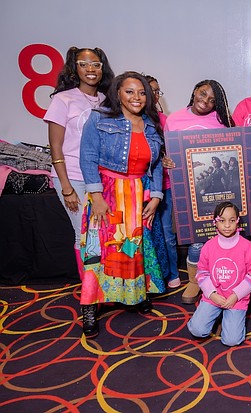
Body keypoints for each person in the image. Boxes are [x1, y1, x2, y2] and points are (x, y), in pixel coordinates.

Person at [79, 71, 165, 338]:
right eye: (129, 92)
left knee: (134, 247)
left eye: (141, 93)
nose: (136, 97)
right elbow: (88, 157)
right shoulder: (99, 118)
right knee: (101, 250)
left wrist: (157, 195)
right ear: (117, 93)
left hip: (138, 193)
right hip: (107, 192)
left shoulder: (150, 124)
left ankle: (134, 296)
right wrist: (97, 197)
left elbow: (158, 162)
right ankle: (91, 306)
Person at [44, 46, 114, 278]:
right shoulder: (62, 99)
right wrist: (66, 188)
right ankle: (89, 291)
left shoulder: (107, 100)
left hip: (100, 177)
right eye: (83, 64)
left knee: (103, 231)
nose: (90, 69)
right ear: (75, 68)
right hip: (72, 175)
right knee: (83, 232)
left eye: (95, 64)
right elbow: (55, 146)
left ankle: (101, 284)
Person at [165, 79, 236, 304]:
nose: (205, 101)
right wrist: (165, 160)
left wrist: (248, 142)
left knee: (217, 235)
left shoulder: (220, 120)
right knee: (196, 240)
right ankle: (195, 281)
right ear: (194, 90)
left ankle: (220, 278)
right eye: (203, 94)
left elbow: (234, 145)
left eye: (212, 99)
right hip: (185, 189)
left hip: (215, 191)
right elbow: (167, 150)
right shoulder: (174, 119)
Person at [187, 202, 251, 346]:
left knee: (232, 340)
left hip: (235, 299)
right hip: (214, 297)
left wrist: (236, 296)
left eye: (231, 220)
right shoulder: (209, 246)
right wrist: (212, 294)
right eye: (222, 220)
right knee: (197, 330)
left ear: (237, 222)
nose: (227, 225)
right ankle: (215, 315)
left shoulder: (247, 247)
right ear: (215, 222)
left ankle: (227, 319)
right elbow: (202, 273)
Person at [146, 74, 180, 290]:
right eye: (150, 90)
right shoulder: (131, 120)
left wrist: (169, 159)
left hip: (164, 186)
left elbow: (172, 150)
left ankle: (172, 272)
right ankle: (151, 276)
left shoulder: (164, 120)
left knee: (167, 232)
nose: (154, 94)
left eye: (157, 91)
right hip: (141, 186)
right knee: (145, 234)